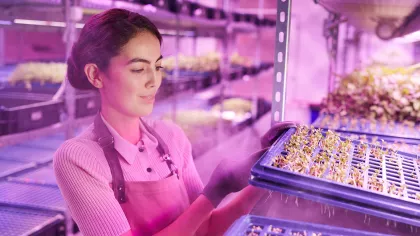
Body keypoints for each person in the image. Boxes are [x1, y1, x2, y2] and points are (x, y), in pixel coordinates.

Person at [54, 8, 296, 236]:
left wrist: (265, 174)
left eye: (158, 67)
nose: (154, 81)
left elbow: (206, 229)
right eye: (138, 69)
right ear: (96, 75)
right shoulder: (78, 158)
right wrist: (214, 191)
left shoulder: (171, 137)